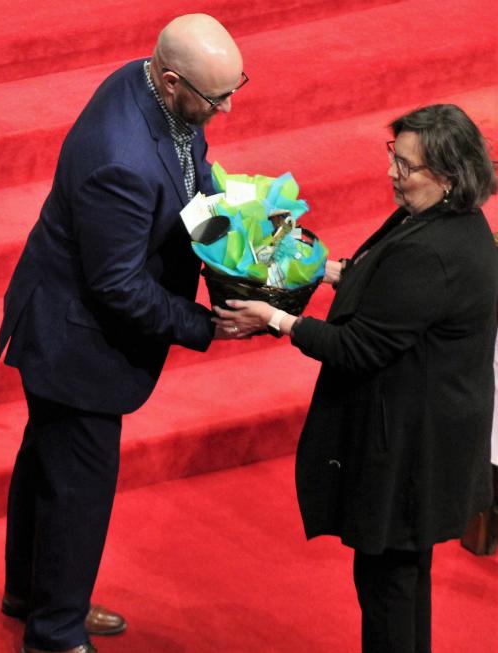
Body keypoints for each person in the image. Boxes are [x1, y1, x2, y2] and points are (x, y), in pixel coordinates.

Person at [0, 14, 249, 653]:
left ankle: (31, 595)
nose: (228, 107)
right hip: (75, 342)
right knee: (77, 491)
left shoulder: (151, 92)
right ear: (170, 80)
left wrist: (235, 246)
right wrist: (207, 323)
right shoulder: (121, 160)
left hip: (64, 322)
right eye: (218, 98)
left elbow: (194, 170)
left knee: (47, 464)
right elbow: (118, 287)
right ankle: (55, 633)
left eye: (235, 86)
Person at [215, 104, 498, 653]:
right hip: (430, 438)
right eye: (394, 155)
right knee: (404, 577)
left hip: (410, 453)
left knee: (388, 586)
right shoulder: (449, 221)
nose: (393, 172)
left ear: (447, 175)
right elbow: (387, 283)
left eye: (408, 166)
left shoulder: (432, 251)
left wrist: (274, 317)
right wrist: (323, 269)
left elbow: (357, 346)